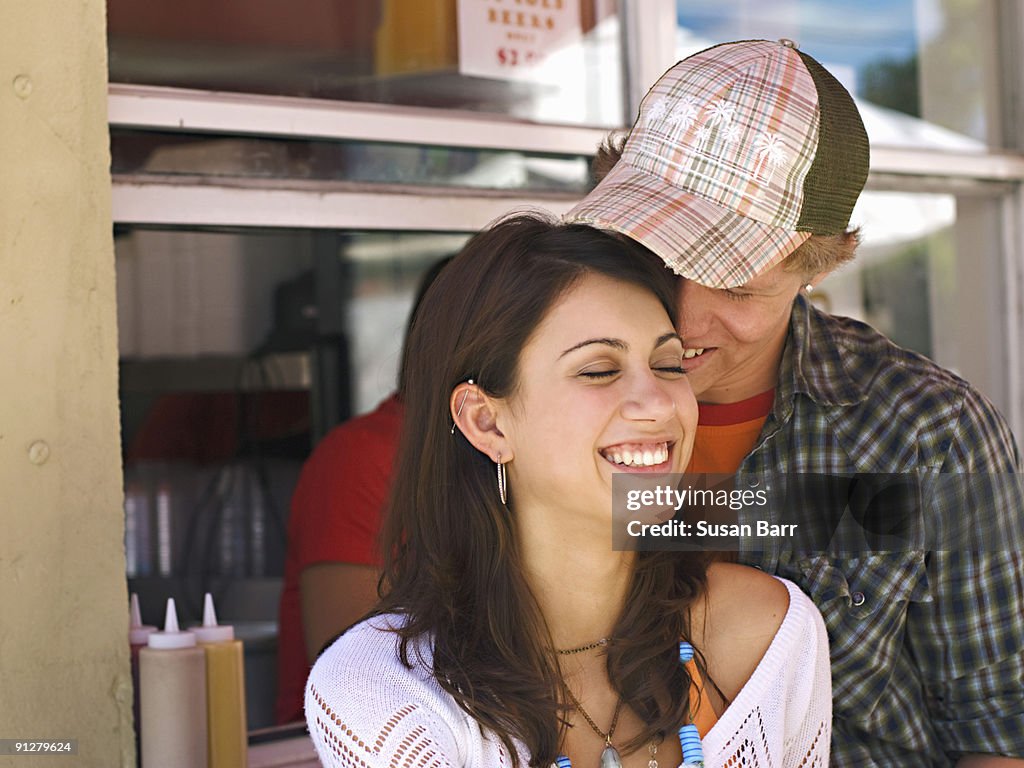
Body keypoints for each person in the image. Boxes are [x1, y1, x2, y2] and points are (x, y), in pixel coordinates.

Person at [565, 39, 1024, 765]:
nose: (682, 321)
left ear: (818, 265)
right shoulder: (543, 399)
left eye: (737, 287)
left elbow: (995, 720)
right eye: (655, 256)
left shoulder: (922, 430)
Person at [305, 214, 831, 767]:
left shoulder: (769, 633)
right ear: (487, 422)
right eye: (599, 370)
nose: (658, 404)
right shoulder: (384, 693)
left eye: (668, 364)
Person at [275, 257, 451, 725]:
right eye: (598, 368)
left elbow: (657, 600)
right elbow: (355, 681)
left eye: (668, 365)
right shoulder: (362, 456)